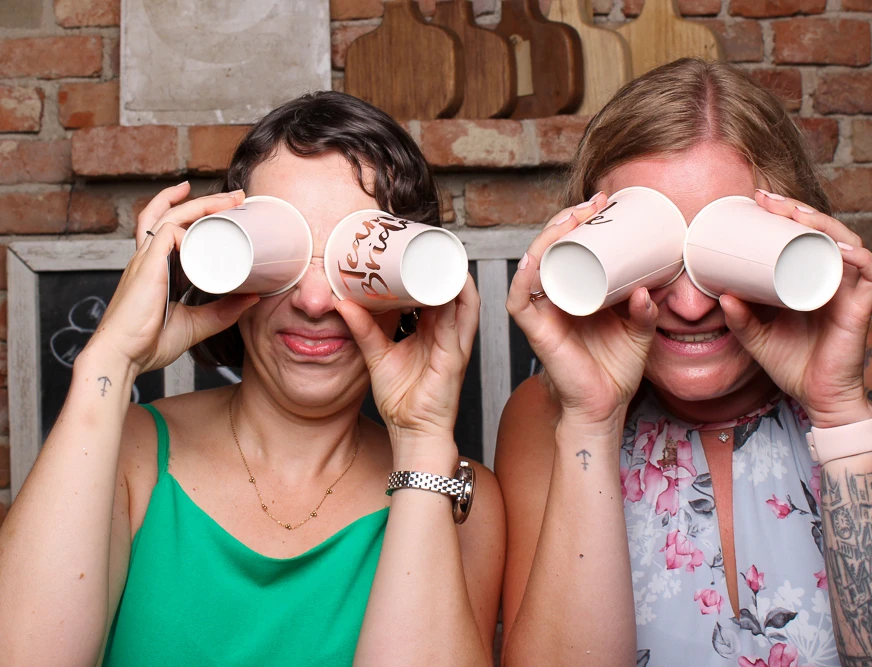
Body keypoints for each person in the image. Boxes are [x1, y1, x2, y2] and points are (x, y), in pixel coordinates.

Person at [496, 58, 872, 667]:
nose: (686, 305)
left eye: (721, 255)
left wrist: (839, 413)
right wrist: (592, 420)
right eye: (651, 259)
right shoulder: (547, 416)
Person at [0, 91, 504, 666]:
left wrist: (421, 443)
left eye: (356, 263)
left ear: (411, 288)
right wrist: (110, 360)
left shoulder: (462, 499)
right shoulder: (129, 453)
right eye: (283, 255)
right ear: (231, 261)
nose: (315, 301)